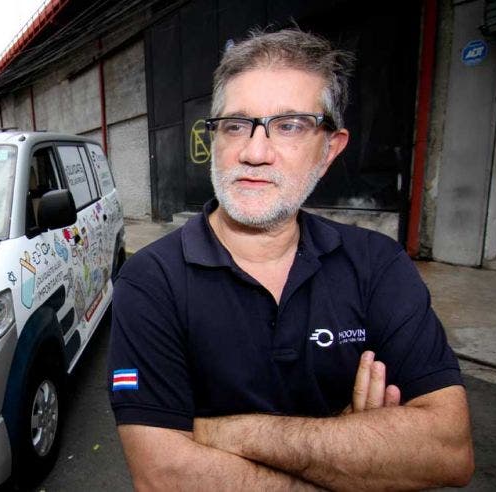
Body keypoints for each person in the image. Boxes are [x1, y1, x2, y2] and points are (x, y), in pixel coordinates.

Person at [107, 28, 474, 490]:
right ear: (214, 139)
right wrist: (356, 453)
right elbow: (163, 475)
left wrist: (229, 432)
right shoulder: (150, 279)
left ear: (330, 149)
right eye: (236, 125)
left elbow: (447, 450)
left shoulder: (376, 263)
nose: (255, 152)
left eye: (290, 126)